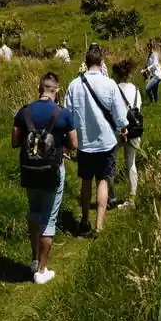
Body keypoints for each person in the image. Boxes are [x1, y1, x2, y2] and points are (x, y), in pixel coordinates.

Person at [12, 71, 77, 285]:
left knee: (34, 212)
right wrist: (63, 147)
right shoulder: (64, 114)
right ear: (56, 91)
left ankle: (33, 259)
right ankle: (41, 270)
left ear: (39, 88)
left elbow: (15, 141)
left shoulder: (24, 112)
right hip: (53, 170)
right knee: (48, 217)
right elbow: (74, 144)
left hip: (29, 170)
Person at [64, 44, 128, 236]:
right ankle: (99, 225)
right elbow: (119, 114)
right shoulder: (109, 84)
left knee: (85, 181)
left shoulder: (74, 85)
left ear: (85, 62)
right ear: (101, 63)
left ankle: (84, 220)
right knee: (102, 181)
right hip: (106, 141)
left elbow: (67, 115)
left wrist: (68, 141)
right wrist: (123, 128)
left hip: (83, 142)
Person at [112, 58, 143, 208]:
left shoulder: (114, 89)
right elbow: (139, 109)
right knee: (131, 163)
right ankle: (132, 198)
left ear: (117, 74)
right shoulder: (136, 89)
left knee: (109, 160)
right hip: (135, 129)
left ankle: (110, 196)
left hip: (118, 130)